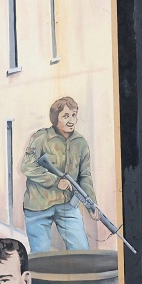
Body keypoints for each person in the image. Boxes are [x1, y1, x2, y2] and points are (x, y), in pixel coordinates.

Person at [20, 96, 101, 253]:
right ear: (55, 117)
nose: (71, 120)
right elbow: (27, 166)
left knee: (81, 251)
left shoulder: (81, 143)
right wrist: (55, 181)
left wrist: (91, 203)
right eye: (66, 116)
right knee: (40, 255)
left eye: (74, 115)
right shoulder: (40, 137)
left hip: (67, 205)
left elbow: (85, 176)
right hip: (39, 205)